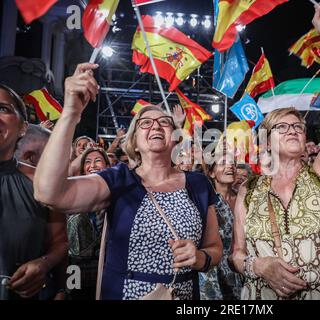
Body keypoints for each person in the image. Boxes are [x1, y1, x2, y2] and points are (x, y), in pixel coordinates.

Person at [34, 63, 223, 300]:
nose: (155, 125)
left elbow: (215, 247)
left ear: (175, 139)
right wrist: (71, 113)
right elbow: (48, 194)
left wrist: (200, 258)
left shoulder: (198, 184)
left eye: (164, 122)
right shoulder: (118, 179)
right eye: (145, 123)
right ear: (133, 142)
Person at [230, 3, 320, 300]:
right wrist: (259, 266)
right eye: (282, 128)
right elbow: (237, 254)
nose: (294, 130)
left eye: (298, 126)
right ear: (267, 141)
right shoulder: (248, 191)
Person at [0, 84, 68, 300]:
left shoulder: (41, 183)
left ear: (23, 128)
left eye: (3, 109)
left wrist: (44, 264)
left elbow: (60, 242)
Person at [67, 147, 110, 300]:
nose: (93, 165)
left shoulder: (116, 196)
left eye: (98, 160)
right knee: (74, 297)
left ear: (107, 166)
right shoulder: (72, 195)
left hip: (105, 268)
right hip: (75, 269)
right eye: (87, 162)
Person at [199, 151, 242, 300]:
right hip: (215, 274)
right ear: (211, 173)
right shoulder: (206, 203)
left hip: (243, 271)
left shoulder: (245, 199)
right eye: (223, 163)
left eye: (233, 163)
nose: (230, 166)